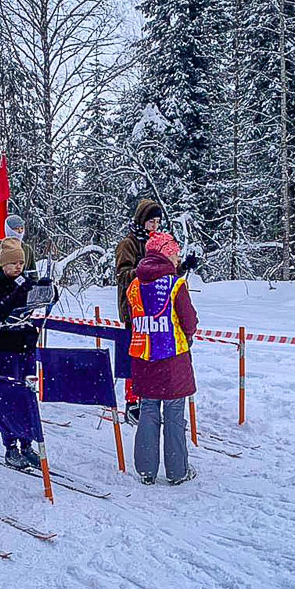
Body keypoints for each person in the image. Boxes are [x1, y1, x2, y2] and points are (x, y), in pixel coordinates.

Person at [127, 232, 198, 486]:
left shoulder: (135, 285)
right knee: (174, 413)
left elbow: (132, 318)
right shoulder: (176, 285)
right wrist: (186, 335)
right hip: (172, 359)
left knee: (148, 410)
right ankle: (177, 471)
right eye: (175, 253)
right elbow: (189, 321)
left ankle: (146, 469)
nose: (178, 258)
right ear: (166, 253)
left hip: (144, 358)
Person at [0, 237, 48, 470]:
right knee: (8, 395)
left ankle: (26, 443)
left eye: (20, 263)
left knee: (26, 394)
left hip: (25, 343)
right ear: (3, 264)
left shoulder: (24, 280)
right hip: (5, 346)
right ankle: (10, 446)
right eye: (13, 263)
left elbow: (40, 301)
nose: (18, 267)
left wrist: (48, 290)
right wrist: (17, 295)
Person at [115, 200, 162, 424]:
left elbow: (166, 270)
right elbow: (122, 275)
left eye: (158, 222)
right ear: (142, 221)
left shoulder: (158, 243)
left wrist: (181, 267)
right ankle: (132, 402)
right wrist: (142, 270)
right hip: (133, 309)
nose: (154, 226)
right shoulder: (128, 244)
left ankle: (149, 398)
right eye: (151, 221)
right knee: (135, 357)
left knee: (152, 355)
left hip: (155, 308)